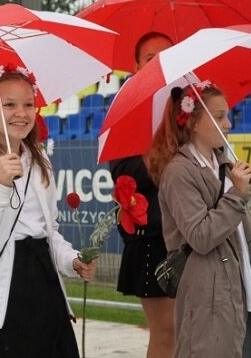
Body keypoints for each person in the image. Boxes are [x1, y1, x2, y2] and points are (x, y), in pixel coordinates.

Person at [0, 65, 96, 357]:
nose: (22, 112)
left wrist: (71, 261)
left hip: (45, 285)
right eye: (9, 104)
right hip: (4, 296)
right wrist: (1, 184)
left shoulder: (39, 161)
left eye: (28, 104)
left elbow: (48, 230)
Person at [147, 83, 251, 357]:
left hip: (241, 296)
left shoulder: (223, 166)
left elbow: (244, 241)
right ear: (193, 121)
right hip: (209, 301)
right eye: (218, 117)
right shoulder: (179, 172)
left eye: (227, 115)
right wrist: (238, 195)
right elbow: (201, 236)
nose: (228, 124)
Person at [109, 32, 175, 357]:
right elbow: (123, 175)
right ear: (136, 66)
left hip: (188, 233)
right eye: (151, 57)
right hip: (151, 237)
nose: (160, 61)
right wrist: (164, 154)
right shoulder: (126, 110)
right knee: (166, 331)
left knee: (189, 328)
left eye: (168, 54)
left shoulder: (187, 106)